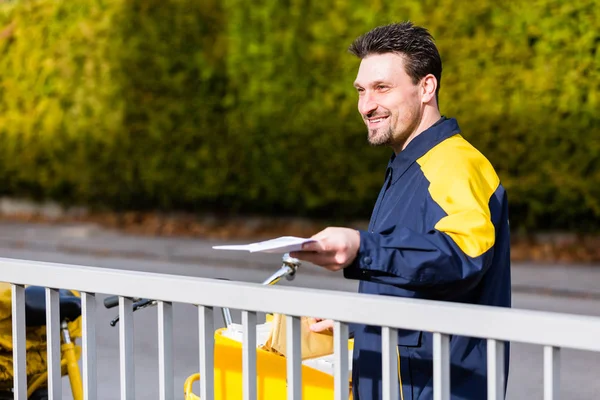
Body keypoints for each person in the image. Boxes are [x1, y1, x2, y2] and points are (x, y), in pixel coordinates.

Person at [290, 22, 511, 400]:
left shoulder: (454, 164)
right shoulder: (408, 163)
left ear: (426, 87)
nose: (366, 105)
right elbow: (420, 282)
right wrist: (360, 320)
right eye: (361, 90)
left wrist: (363, 247)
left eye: (382, 88)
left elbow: (463, 256)